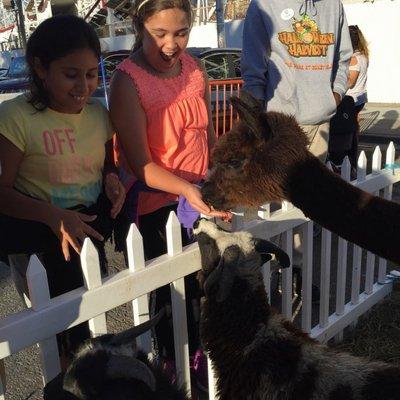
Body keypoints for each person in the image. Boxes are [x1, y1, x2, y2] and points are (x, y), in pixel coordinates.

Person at [109, 0, 229, 384]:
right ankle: (174, 372)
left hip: (198, 196)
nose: (171, 44)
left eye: (181, 33)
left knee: (205, 290)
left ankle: (201, 364)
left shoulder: (194, 69)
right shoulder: (127, 80)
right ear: (140, 27)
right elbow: (141, 164)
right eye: (159, 34)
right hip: (156, 206)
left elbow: (205, 134)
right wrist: (186, 189)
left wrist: (215, 174)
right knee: (169, 302)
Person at [0, 15, 125, 365]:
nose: (83, 86)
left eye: (90, 74)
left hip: (88, 230)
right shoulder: (15, 117)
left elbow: (106, 165)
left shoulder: (99, 113)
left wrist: (112, 180)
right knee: (62, 338)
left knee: (92, 328)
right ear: (41, 68)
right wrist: (52, 216)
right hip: (42, 241)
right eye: (71, 75)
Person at [241, 0, 353, 163]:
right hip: (279, 128)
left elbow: (343, 58)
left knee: (311, 188)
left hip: (320, 124)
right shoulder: (263, 4)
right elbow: (253, 67)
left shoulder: (333, 4)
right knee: (281, 188)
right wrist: (253, 122)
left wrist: (335, 96)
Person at [346, 25, 369, 166]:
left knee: (348, 130)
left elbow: (350, 82)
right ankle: (352, 157)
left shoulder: (354, 59)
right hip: (360, 97)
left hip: (351, 99)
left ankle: (350, 159)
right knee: (354, 128)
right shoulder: (363, 55)